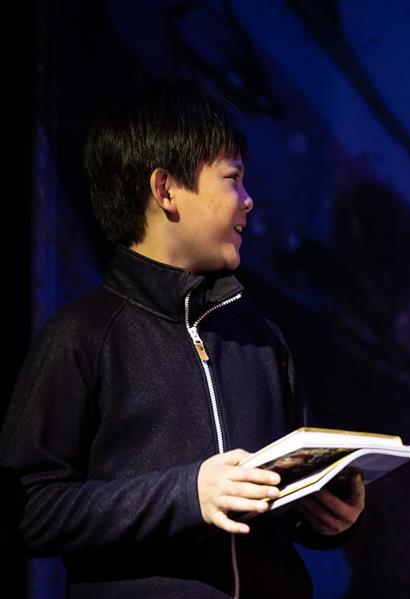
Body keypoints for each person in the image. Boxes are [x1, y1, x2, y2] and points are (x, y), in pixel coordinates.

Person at [0, 81, 364, 598]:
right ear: (166, 190)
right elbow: (30, 510)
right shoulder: (82, 337)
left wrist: (326, 517)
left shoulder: (259, 337)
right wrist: (188, 495)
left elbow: (283, 504)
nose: (248, 201)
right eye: (232, 179)